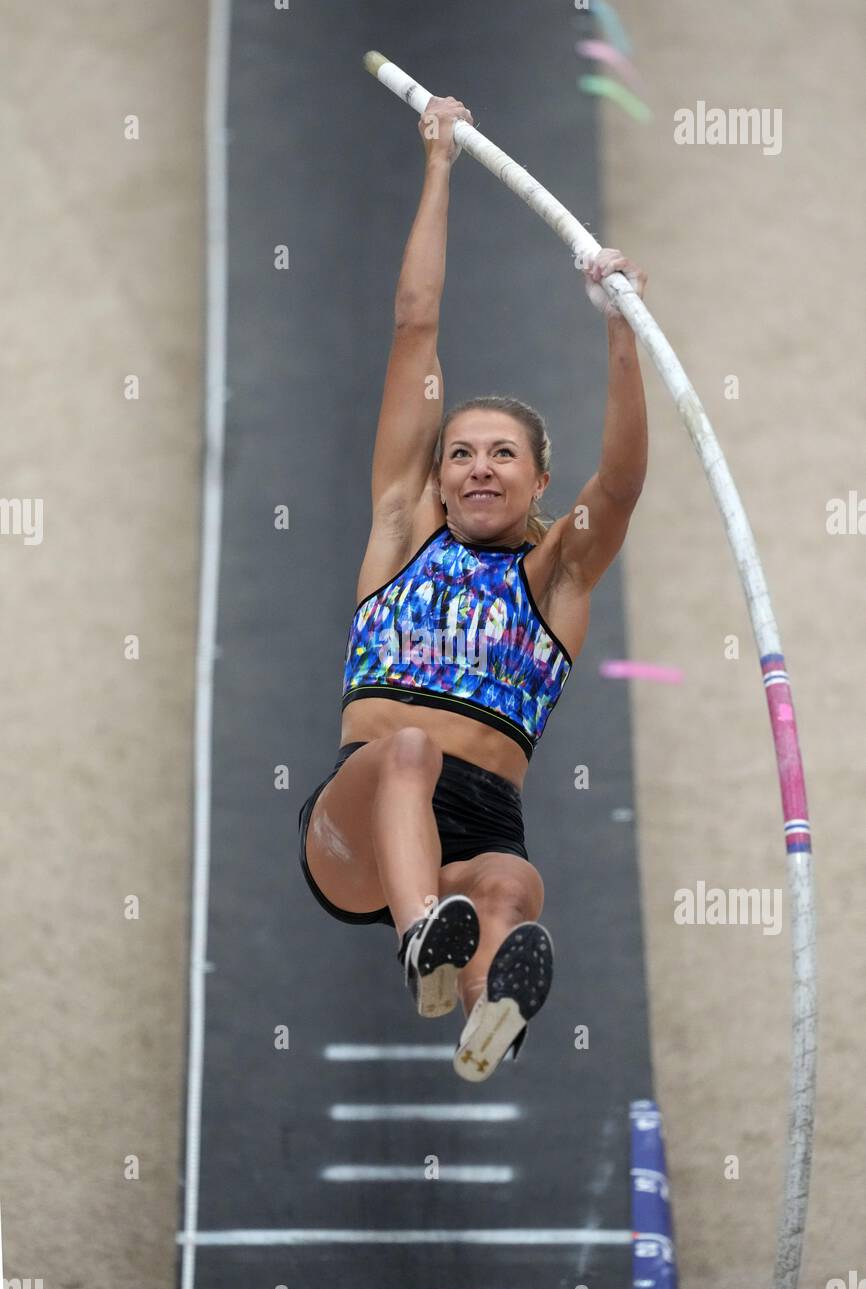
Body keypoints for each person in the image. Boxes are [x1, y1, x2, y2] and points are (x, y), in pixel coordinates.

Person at [298, 94, 648, 1081]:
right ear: (436, 474)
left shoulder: (555, 579)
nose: (478, 468)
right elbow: (415, 325)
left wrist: (620, 332)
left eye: (502, 455)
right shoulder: (398, 533)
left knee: (511, 880)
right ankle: (421, 939)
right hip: (361, 815)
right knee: (406, 746)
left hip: (483, 814)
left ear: (538, 480)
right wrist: (440, 164)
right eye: (460, 453)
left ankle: (483, 1011)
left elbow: (618, 485)